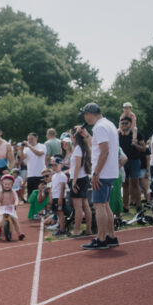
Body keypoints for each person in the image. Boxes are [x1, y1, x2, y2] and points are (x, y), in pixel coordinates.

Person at [79, 103, 120, 250]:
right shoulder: (108, 124)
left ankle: (101, 238)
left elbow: (104, 151)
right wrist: (87, 136)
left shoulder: (99, 127)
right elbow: (97, 146)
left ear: (90, 113)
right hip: (110, 171)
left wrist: (96, 172)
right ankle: (111, 236)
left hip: (102, 172)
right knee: (105, 204)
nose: (85, 117)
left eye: (85, 114)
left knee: (99, 205)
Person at [69, 126, 93, 236]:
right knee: (85, 204)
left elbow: (77, 166)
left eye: (70, 134)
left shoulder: (78, 148)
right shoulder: (84, 146)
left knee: (78, 206)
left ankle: (77, 230)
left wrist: (73, 181)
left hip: (78, 179)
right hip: (84, 177)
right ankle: (88, 229)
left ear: (74, 136)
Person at [0, 174, 25, 241]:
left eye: (9, 184)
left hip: (11, 208)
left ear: (12, 185)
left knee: (15, 220)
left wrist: (16, 203)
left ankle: (19, 234)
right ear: (2, 184)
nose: (7, 186)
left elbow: (16, 198)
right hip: (2, 208)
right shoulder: (1, 192)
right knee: (0, 221)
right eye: (5, 184)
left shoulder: (13, 191)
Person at [22, 133, 47, 201]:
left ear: (36, 138)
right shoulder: (26, 149)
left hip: (40, 174)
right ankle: (33, 211)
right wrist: (21, 149)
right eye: (28, 139)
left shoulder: (42, 146)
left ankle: (41, 211)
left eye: (31, 139)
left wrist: (29, 146)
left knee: (40, 196)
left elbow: (39, 154)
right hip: (30, 175)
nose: (30, 141)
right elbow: (22, 158)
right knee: (31, 197)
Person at [49, 162, 69, 235]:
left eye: (56, 165)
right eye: (53, 165)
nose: (54, 167)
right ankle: (60, 228)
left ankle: (62, 230)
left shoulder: (62, 175)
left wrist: (61, 198)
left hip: (59, 197)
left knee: (61, 214)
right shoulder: (54, 176)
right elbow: (52, 187)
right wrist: (51, 197)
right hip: (55, 197)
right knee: (58, 213)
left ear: (60, 165)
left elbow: (62, 187)